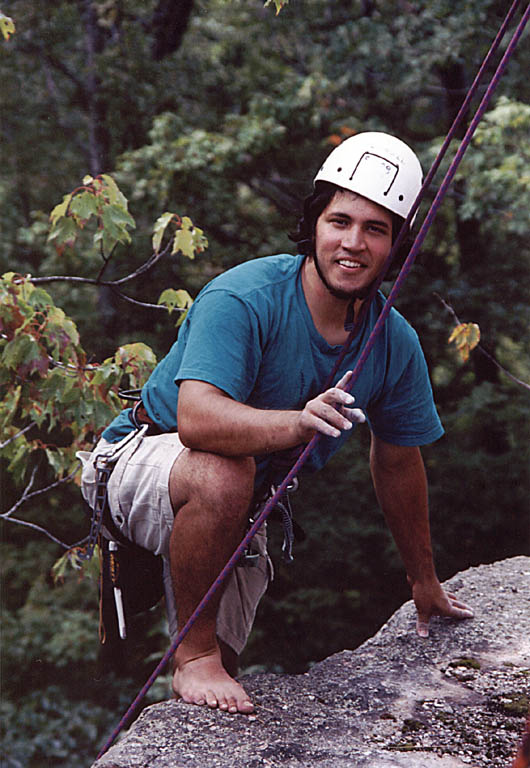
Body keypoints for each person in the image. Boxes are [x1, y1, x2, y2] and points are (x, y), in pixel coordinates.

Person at [80, 131, 474, 717]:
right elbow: (196, 419)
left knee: (223, 687)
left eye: (376, 229)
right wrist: (296, 423)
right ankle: (192, 655)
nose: (353, 243)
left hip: (244, 496)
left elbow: (397, 459)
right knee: (221, 472)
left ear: (397, 245)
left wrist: (424, 581)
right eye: (340, 221)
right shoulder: (245, 297)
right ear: (313, 224)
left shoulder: (394, 343)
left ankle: (200, 675)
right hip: (141, 453)